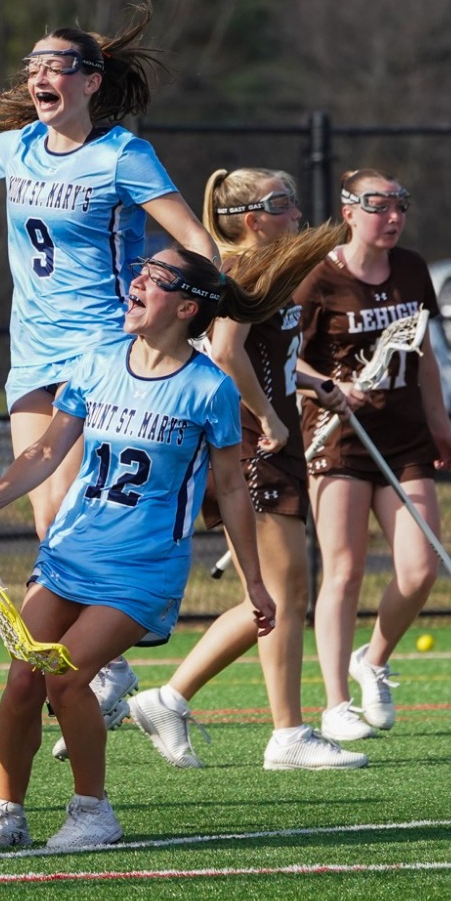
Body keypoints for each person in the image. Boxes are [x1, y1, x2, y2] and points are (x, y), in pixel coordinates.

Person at [0, 4, 218, 737]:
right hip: (31, 350)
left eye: (56, 64)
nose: (39, 76)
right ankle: (107, 666)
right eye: (32, 65)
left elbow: (194, 238)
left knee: (73, 499)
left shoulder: (122, 156)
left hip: (102, 345)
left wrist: (197, 314)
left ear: (91, 81)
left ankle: (100, 650)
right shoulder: (18, 149)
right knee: (46, 509)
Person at [0, 249, 275, 850]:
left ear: (185, 307)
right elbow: (46, 452)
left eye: (153, 277)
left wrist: (253, 582)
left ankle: (92, 812)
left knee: (68, 679)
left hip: (143, 569)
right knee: (24, 678)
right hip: (70, 554)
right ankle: (8, 811)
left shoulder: (209, 389)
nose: (137, 281)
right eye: (142, 270)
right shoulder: (98, 361)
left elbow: (230, 488)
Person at [126, 170, 362, 770]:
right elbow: (226, 352)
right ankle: (281, 732)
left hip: (269, 436)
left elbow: (260, 355)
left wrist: (310, 385)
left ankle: (172, 697)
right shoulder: (242, 271)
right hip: (255, 442)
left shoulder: (268, 271)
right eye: (284, 204)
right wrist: (270, 418)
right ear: (254, 217)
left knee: (283, 594)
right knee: (282, 595)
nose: (297, 213)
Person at [296, 169, 451, 742]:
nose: (392, 217)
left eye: (400, 206)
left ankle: (372, 660)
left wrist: (441, 428)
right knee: (342, 570)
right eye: (379, 206)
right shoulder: (318, 277)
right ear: (349, 212)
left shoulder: (413, 270)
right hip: (338, 436)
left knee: (419, 570)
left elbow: (425, 357)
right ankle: (336, 705)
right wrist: (331, 388)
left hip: (403, 437)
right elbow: (286, 361)